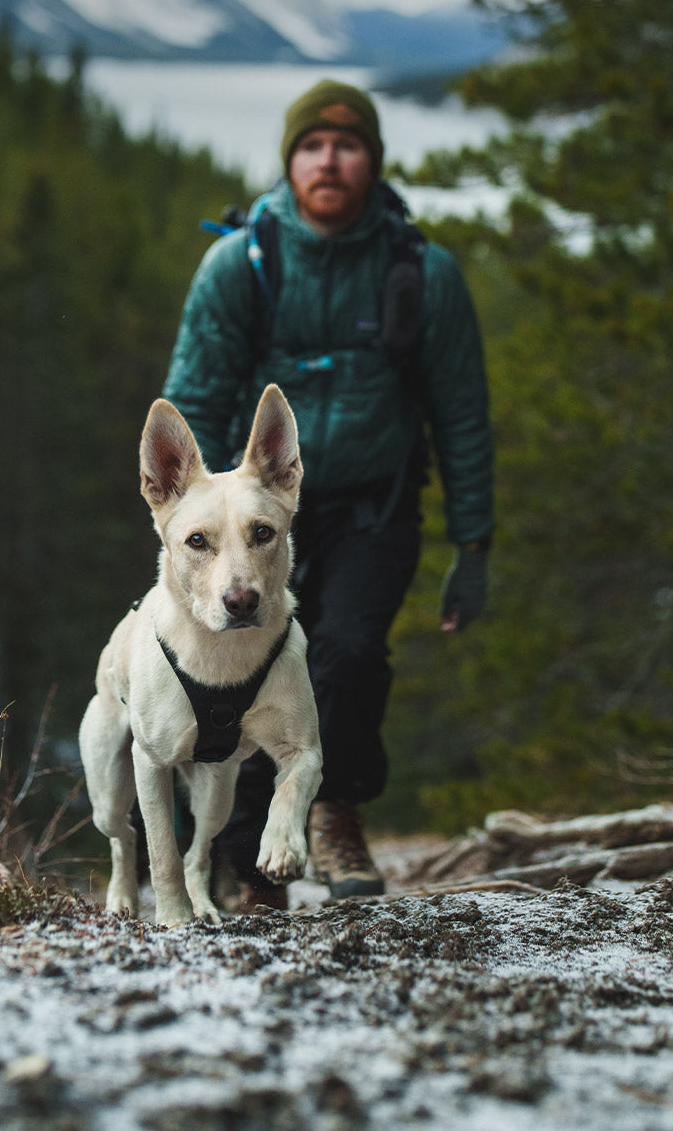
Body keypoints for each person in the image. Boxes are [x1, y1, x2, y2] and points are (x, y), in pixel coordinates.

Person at [162, 79, 493, 909]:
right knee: (232, 667)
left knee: (345, 651)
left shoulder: (422, 272)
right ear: (291, 161)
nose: (329, 160)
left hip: (373, 505)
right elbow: (194, 403)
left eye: (348, 145)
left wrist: (474, 544)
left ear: (372, 161)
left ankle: (334, 811)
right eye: (313, 145)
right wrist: (187, 531)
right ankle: (242, 862)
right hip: (249, 519)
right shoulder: (241, 265)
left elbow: (461, 412)